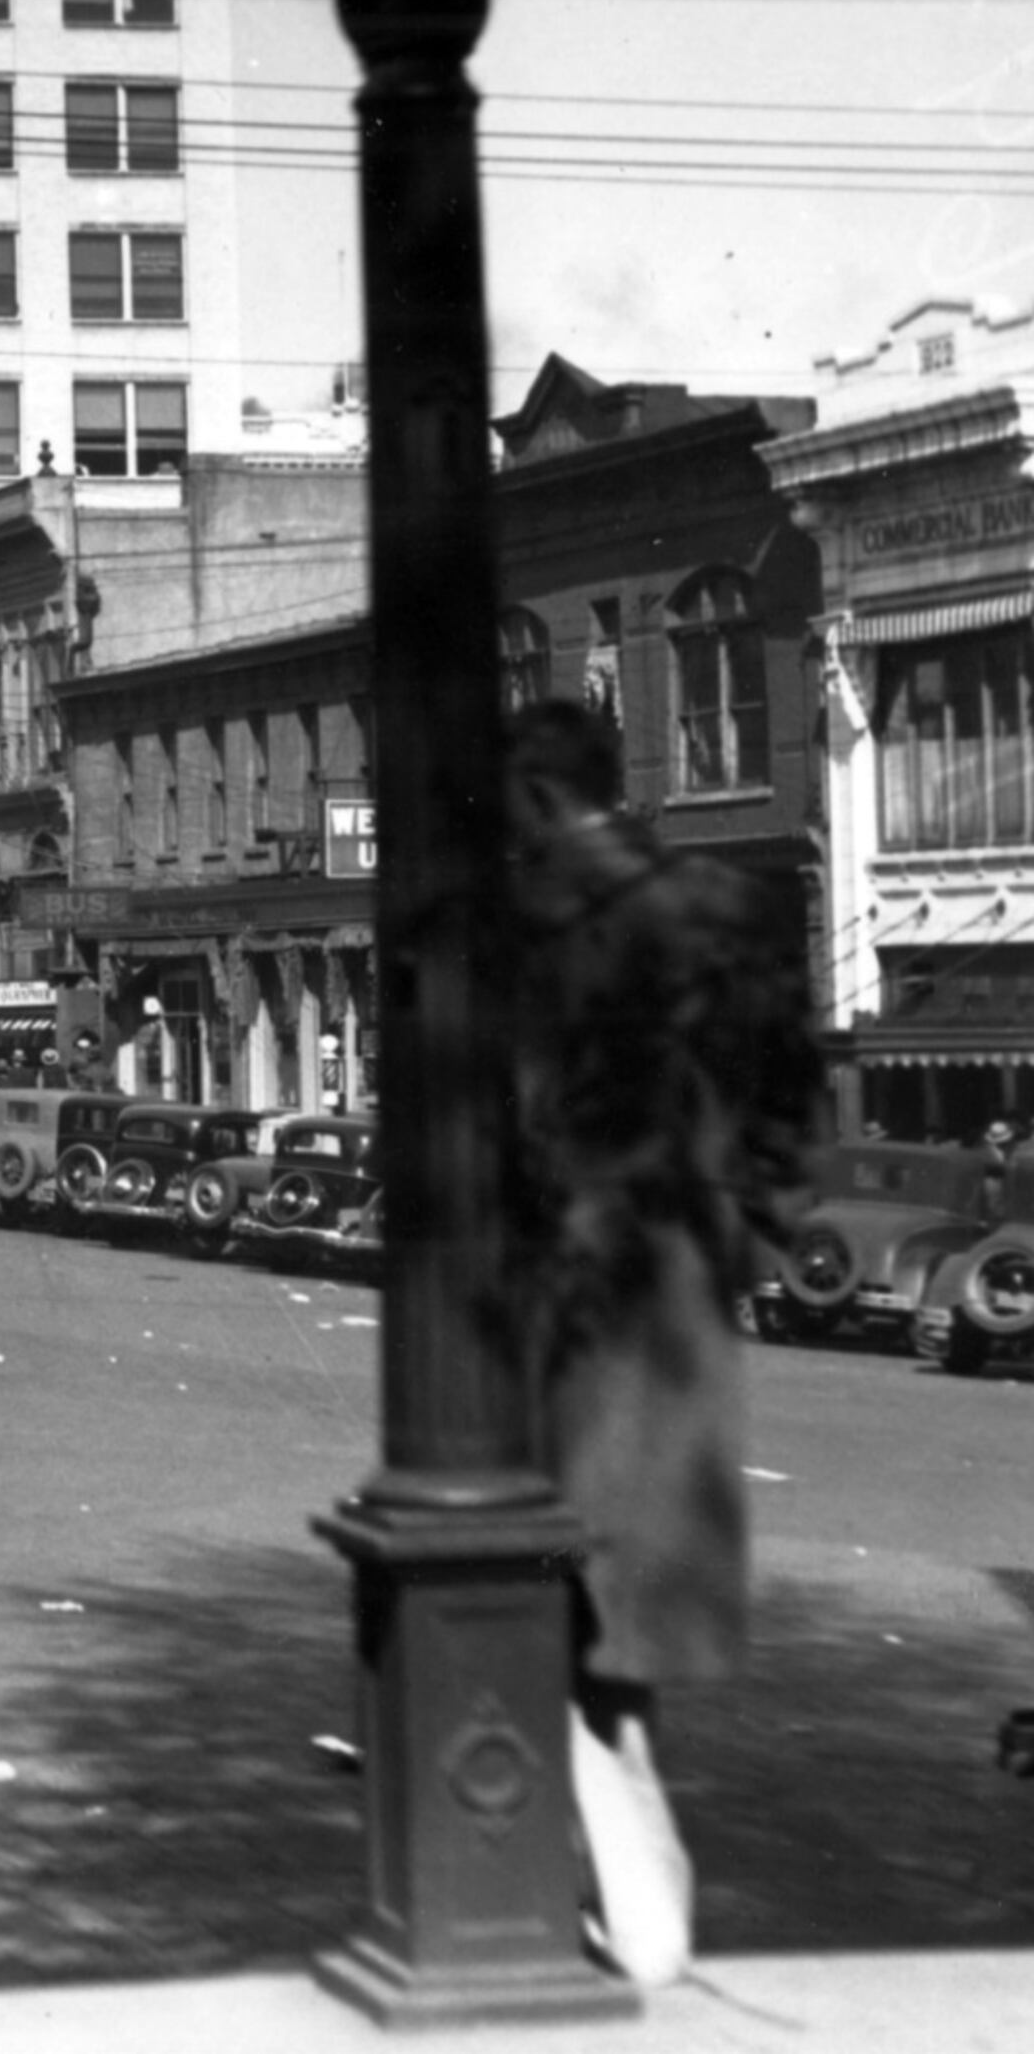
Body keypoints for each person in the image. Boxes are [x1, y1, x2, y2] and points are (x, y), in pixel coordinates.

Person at [500, 698, 819, 1988]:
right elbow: (792, 1097)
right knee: (627, 1577)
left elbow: (489, 1105)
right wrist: (744, 1230)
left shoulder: (520, 924)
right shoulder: (728, 905)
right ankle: (627, 1829)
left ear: (529, 796)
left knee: (540, 1575)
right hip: (679, 1268)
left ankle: (629, 1878)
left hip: (558, 1268)